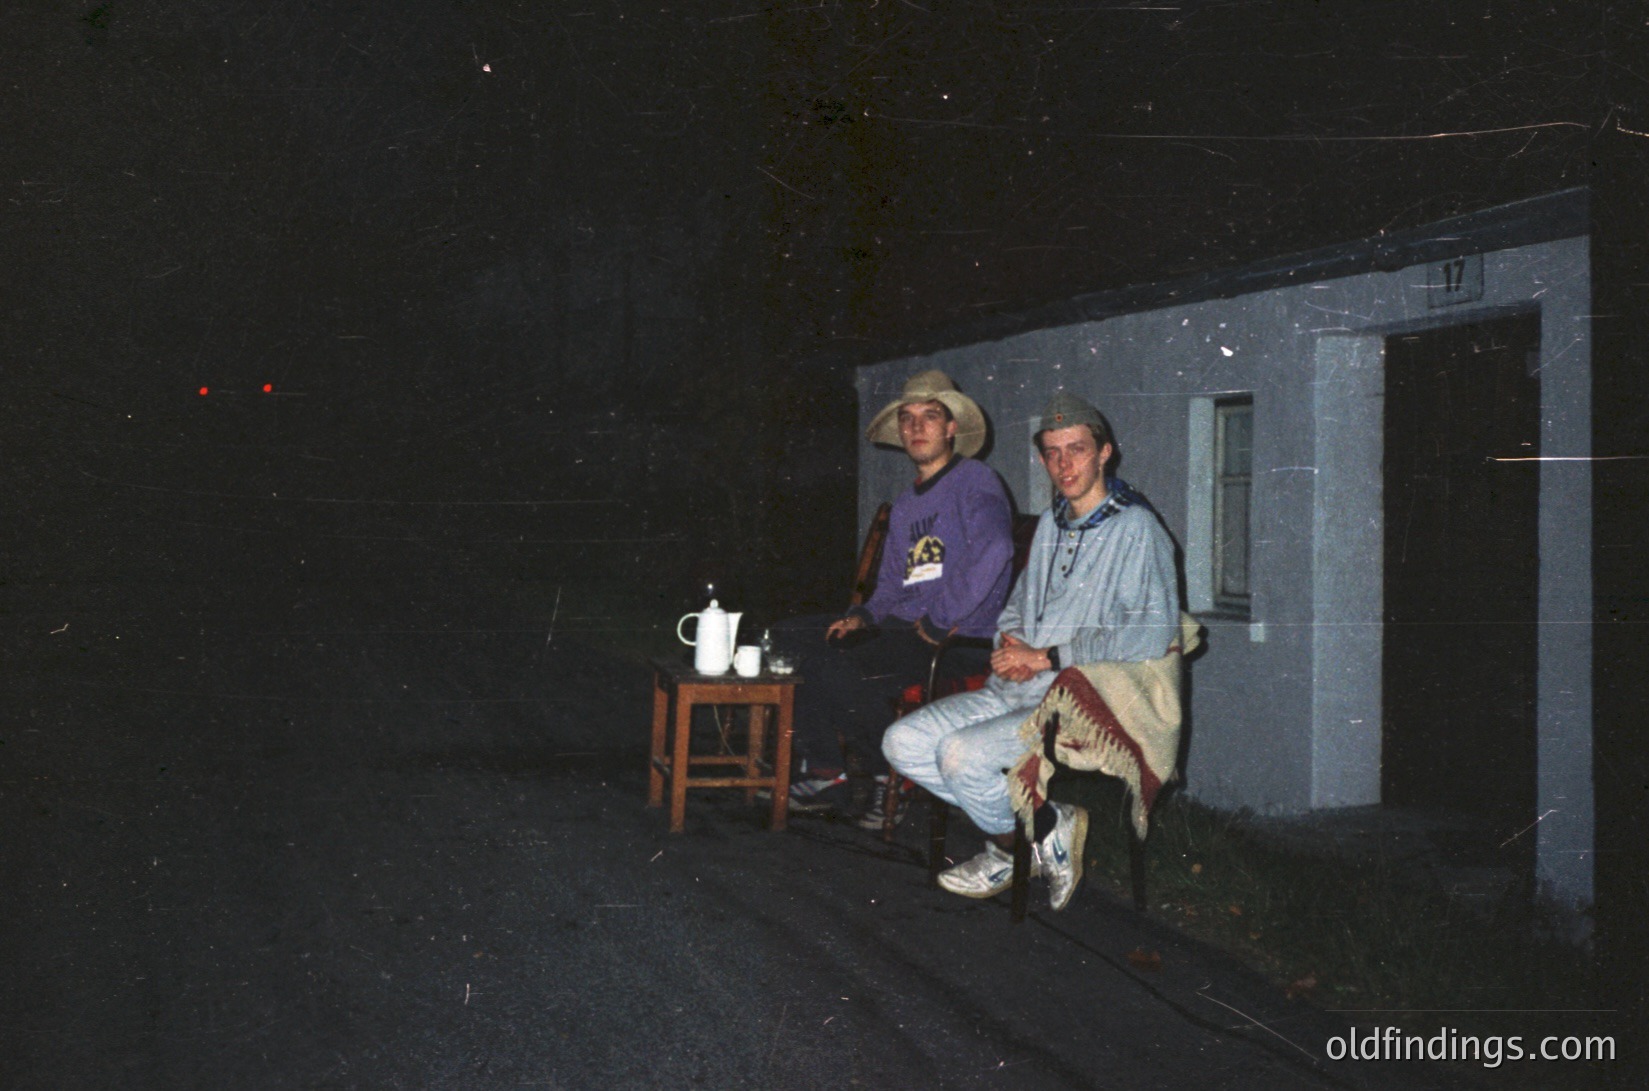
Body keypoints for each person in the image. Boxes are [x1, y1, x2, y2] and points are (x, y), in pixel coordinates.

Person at [881, 391, 1180, 909]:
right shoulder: (1051, 524)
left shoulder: (1136, 529)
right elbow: (1018, 605)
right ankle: (1037, 834)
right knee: (901, 743)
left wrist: (1047, 657)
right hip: (1018, 687)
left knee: (959, 755)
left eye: (1077, 449)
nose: (1063, 464)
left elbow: (1151, 630)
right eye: (1052, 452)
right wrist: (1010, 644)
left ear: (1105, 452)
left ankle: (1015, 846)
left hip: (1084, 700)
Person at [774, 370, 1015, 820]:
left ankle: (898, 776)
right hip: (903, 629)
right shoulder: (906, 504)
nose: (916, 426)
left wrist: (942, 619)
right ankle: (829, 771)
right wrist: (861, 617)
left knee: (832, 664)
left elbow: (996, 549)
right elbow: (889, 585)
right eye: (907, 418)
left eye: (930, 416)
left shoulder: (975, 480)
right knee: (789, 636)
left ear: (951, 429)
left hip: (957, 639)